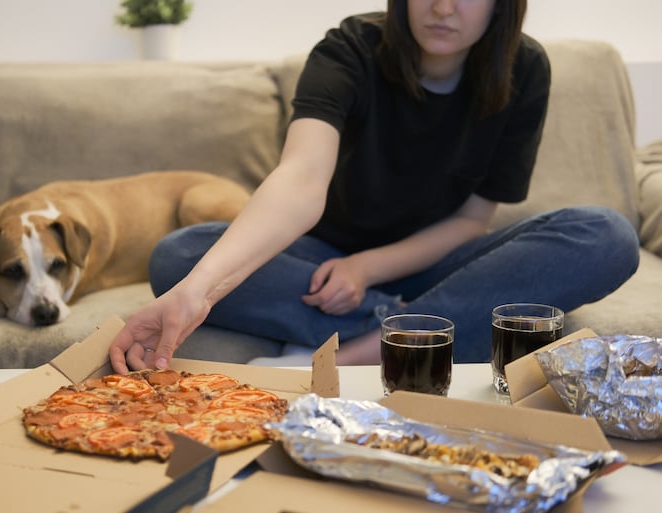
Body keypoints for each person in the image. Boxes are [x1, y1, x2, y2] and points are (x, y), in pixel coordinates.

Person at [109, 0, 639, 373]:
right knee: (180, 256)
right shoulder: (347, 50)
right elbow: (300, 179)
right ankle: (438, 322)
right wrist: (194, 294)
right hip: (317, 260)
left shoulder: (525, 68)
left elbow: (472, 221)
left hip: (435, 259)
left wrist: (367, 270)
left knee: (606, 234)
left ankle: (363, 351)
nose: (444, 7)